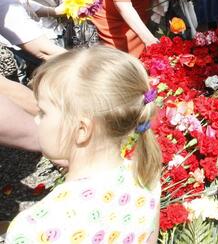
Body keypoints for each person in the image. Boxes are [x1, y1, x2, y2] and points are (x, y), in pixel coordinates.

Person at [6, 47, 161, 242]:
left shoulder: (33, 228)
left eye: (43, 112)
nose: (36, 120)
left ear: (82, 130)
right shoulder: (145, 177)